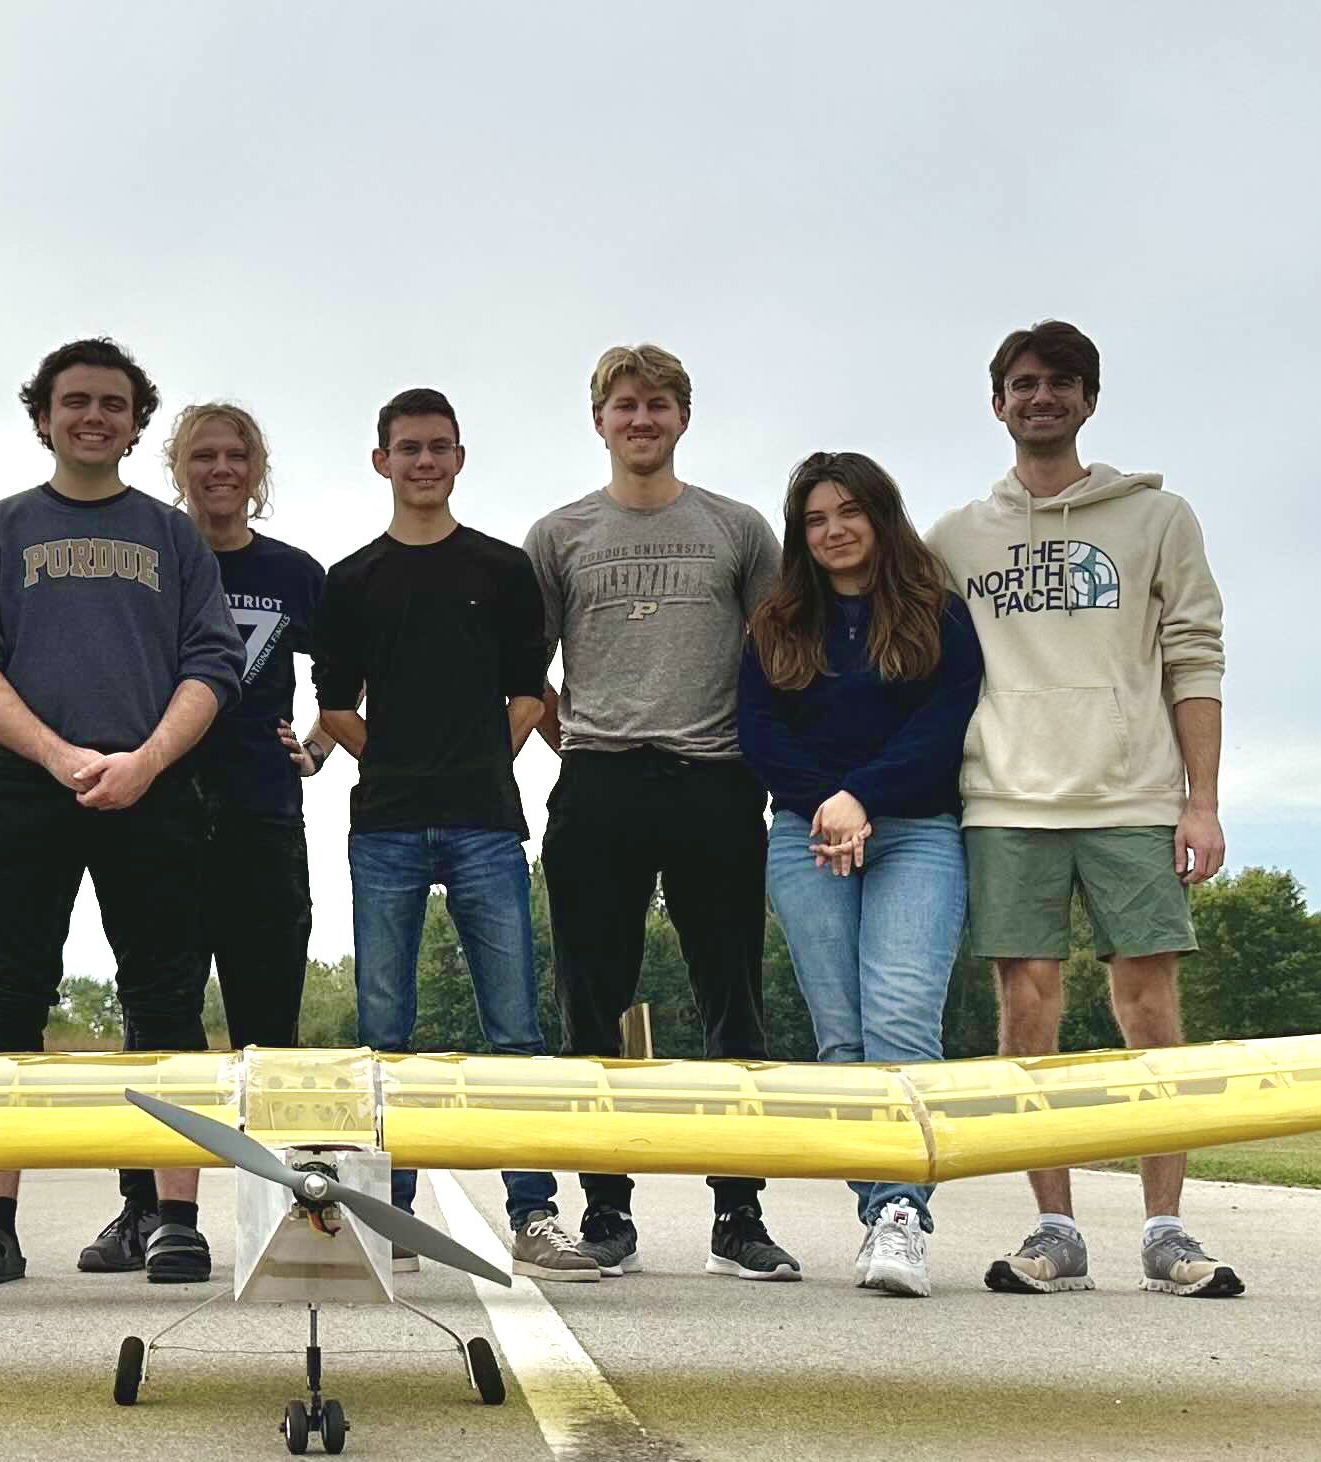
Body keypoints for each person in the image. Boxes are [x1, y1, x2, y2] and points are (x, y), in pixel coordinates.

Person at [924, 319, 1239, 1298]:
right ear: (997, 403)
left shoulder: (1158, 519)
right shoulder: (955, 538)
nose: (1042, 397)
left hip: (1132, 797)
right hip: (1006, 801)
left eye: (1061, 382)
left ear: (1089, 400)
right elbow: (918, 669)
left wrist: (1203, 802)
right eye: (1023, 383)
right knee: (1027, 1012)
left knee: (1149, 1007)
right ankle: (1053, 1228)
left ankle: (1168, 1231)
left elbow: (1196, 656)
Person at [0, 335, 240, 1287]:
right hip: (26, 787)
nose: (94, 416)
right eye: (76, 402)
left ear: (136, 423)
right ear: (42, 416)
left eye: (113, 404)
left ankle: (173, 1219)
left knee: (166, 1002)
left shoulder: (171, 535)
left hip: (152, 788)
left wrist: (146, 762)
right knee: (10, 997)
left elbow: (213, 665)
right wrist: (60, 755)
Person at [525, 344, 797, 1279]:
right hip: (600, 780)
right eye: (625, 406)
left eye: (659, 406)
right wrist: (584, 747)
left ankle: (739, 1214)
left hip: (714, 780)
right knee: (591, 1005)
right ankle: (607, 1211)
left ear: (684, 417)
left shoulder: (738, 530)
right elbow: (527, 675)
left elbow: (779, 659)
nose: (641, 421)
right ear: (598, 419)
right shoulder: (559, 535)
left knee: (734, 998)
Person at [310, 388, 592, 1278]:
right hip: (385, 825)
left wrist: (481, 757)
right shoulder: (350, 580)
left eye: (439, 448)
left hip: (484, 825)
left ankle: (534, 1213)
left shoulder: (503, 571)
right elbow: (332, 706)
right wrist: (392, 758)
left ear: (461, 458)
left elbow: (527, 693)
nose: (424, 462)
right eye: (408, 448)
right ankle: (389, 1216)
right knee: (385, 1030)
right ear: (381, 461)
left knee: (513, 1028)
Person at [69, 401, 325, 1276]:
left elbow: (353, 676)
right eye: (203, 455)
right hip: (159, 810)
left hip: (259, 813)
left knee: (267, 1022)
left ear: (258, 468)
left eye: (236, 455)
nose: (221, 469)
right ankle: (145, 1209)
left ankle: (279, 1206)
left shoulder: (295, 572)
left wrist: (321, 745)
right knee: (158, 1016)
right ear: (176, 466)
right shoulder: (150, 563)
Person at [737, 450, 984, 1298]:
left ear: (881, 516)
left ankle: (904, 1220)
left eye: (849, 512)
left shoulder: (935, 615)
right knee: (841, 1032)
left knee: (903, 1019)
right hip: (808, 835)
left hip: (916, 831)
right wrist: (830, 805)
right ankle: (875, 1209)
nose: (834, 530)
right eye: (815, 519)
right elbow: (760, 734)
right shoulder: (776, 621)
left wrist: (863, 798)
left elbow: (944, 723)